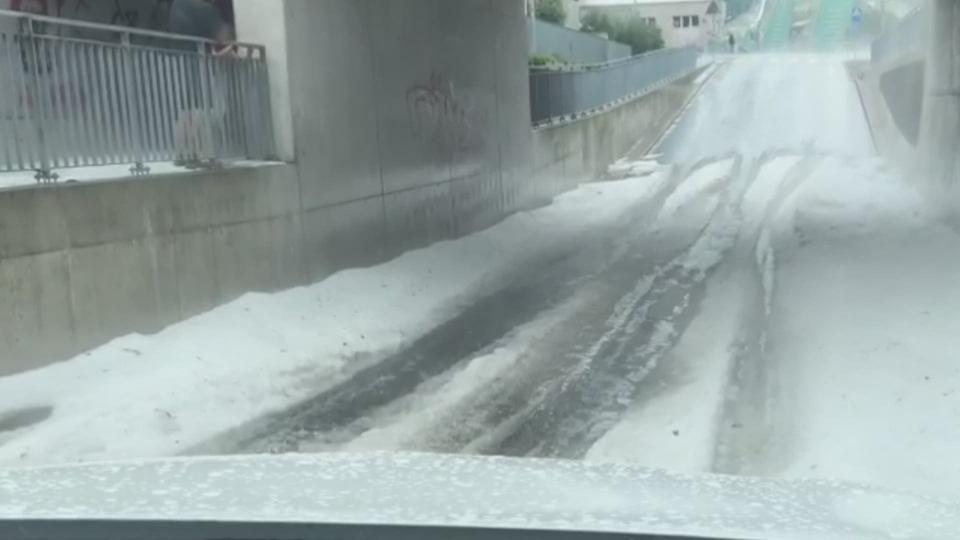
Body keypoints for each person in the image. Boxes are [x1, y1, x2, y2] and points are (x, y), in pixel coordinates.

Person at [169, 0, 235, 167]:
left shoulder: (178, 5)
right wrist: (231, 48)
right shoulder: (206, 10)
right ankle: (201, 156)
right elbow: (223, 37)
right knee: (200, 110)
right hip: (198, 64)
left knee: (185, 111)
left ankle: (182, 154)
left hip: (177, 63)